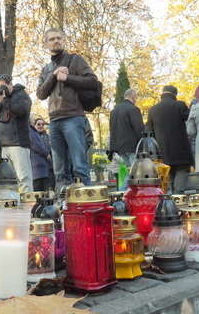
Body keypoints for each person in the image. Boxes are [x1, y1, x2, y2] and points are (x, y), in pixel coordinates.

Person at [37, 28, 99, 188]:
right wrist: (53, 75)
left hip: (73, 117)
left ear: (64, 41)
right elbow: (41, 94)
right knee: (59, 168)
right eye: (52, 39)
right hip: (54, 121)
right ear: (46, 44)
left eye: (59, 38)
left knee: (79, 165)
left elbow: (92, 81)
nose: (56, 41)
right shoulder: (46, 69)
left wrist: (67, 78)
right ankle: (62, 198)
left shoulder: (75, 60)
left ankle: (85, 196)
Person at [0, 74, 33, 193]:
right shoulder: (0, 98)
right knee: (8, 181)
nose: (1, 89)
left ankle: (27, 204)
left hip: (18, 144)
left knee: (23, 178)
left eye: (2, 86)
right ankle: (13, 204)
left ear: (10, 84)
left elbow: (20, 111)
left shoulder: (21, 94)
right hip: (3, 147)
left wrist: (5, 100)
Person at [146, 85, 193, 193]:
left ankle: (171, 196)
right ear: (174, 94)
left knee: (168, 173)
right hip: (181, 149)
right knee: (182, 170)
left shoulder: (153, 110)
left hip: (163, 150)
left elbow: (149, 131)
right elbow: (189, 118)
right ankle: (178, 194)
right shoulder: (180, 105)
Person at [109, 88, 145, 166]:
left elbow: (112, 130)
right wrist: (143, 146)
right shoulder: (133, 109)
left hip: (119, 149)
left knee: (125, 171)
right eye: (136, 97)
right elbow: (139, 129)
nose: (136, 100)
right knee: (135, 171)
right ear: (133, 96)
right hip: (132, 148)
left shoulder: (114, 111)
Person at [29, 117, 52, 192]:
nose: (41, 126)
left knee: (46, 192)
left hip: (47, 170)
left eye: (43, 124)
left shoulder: (48, 137)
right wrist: (46, 154)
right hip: (36, 170)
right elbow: (39, 147)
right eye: (38, 124)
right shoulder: (32, 134)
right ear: (34, 125)